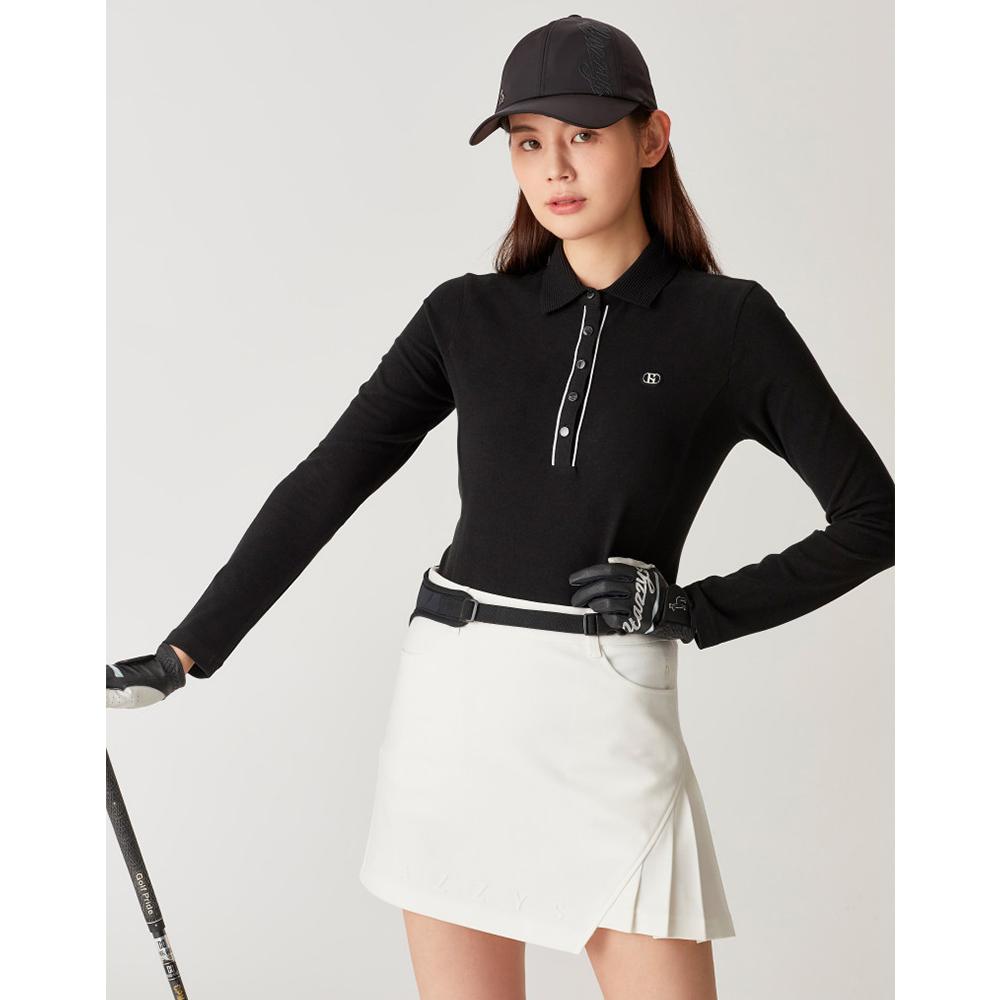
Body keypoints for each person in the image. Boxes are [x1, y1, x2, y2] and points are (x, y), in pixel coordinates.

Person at [108, 14, 894, 999]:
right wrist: (185, 652)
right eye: (528, 141)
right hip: (457, 706)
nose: (554, 167)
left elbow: (876, 516)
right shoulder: (464, 315)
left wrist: (691, 609)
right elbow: (329, 479)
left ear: (651, 139)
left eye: (583, 135)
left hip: (610, 715)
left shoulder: (729, 324)